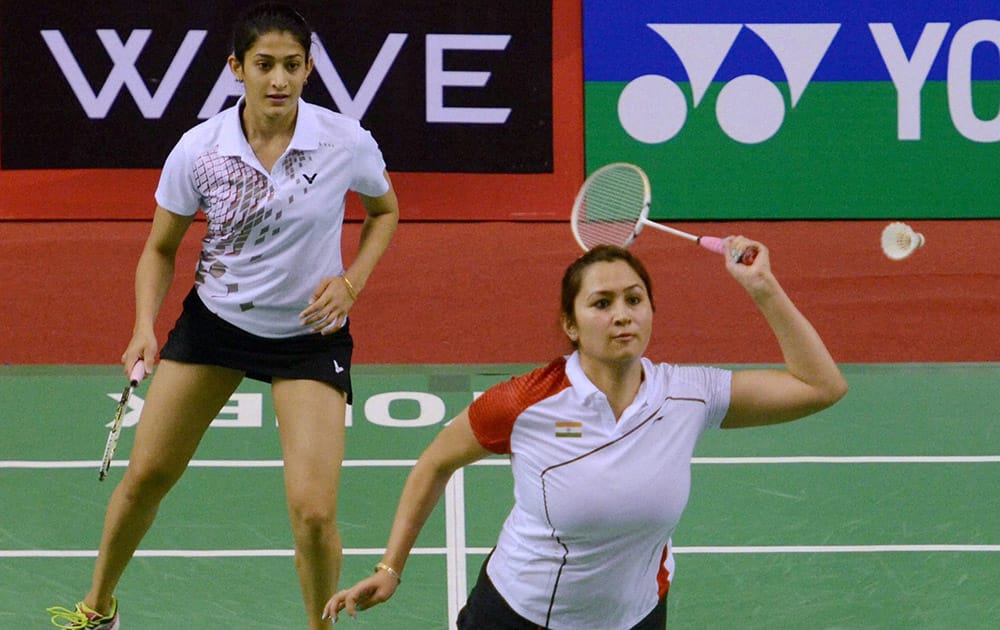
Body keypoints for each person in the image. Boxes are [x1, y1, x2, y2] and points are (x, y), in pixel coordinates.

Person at [46, 3, 399, 629]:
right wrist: (142, 328)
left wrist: (351, 283)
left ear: (310, 68)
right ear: (237, 68)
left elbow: (384, 211)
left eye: (292, 65)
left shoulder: (344, 141)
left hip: (308, 337)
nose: (279, 80)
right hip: (215, 326)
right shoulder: (200, 150)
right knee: (146, 477)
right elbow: (160, 248)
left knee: (314, 513)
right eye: (264, 65)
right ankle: (96, 610)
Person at [324, 240, 847, 629]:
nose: (621, 315)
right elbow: (434, 462)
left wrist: (764, 288)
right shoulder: (525, 401)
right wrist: (390, 567)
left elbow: (820, 386)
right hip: (519, 614)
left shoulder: (689, 394)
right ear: (571, 325)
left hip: (635, 617)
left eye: (634, 299)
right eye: (601, 304)